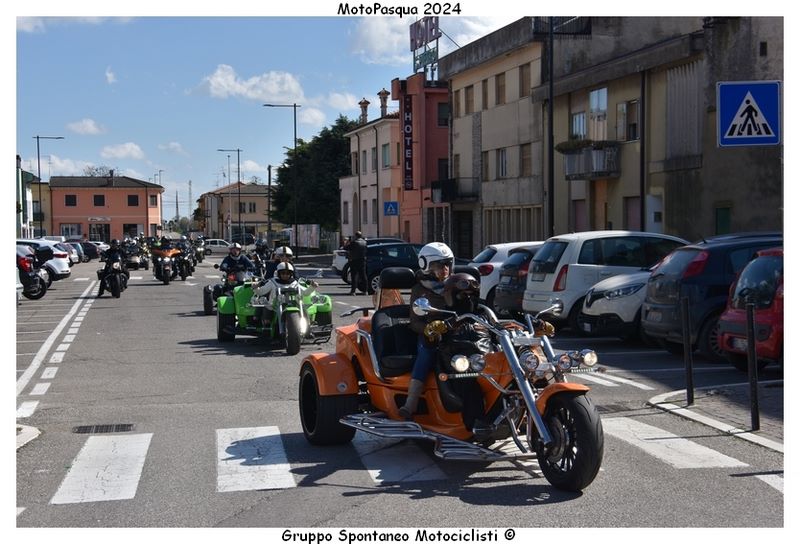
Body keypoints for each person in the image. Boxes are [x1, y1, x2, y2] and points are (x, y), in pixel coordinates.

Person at [398, 241, 454, 420]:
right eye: (439, 265)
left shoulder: (456, 284)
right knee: (427, 353)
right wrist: (429, 329)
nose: (445, 269)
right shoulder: (419, 289)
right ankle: (411, 403)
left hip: (456, 332)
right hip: (432, 335)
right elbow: (414, 322)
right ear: (426, 266)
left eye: (447, 264)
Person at [348, 231, 368, 295]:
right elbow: (366, 250)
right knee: (363, 276)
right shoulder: (364, 242)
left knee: (354, 276)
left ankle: (353, 291)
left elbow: (347, 248)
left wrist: (348, 242)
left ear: (356, 236)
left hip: (354, 260)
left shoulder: (354, 242)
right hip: (362, 260)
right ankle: (365, 291)